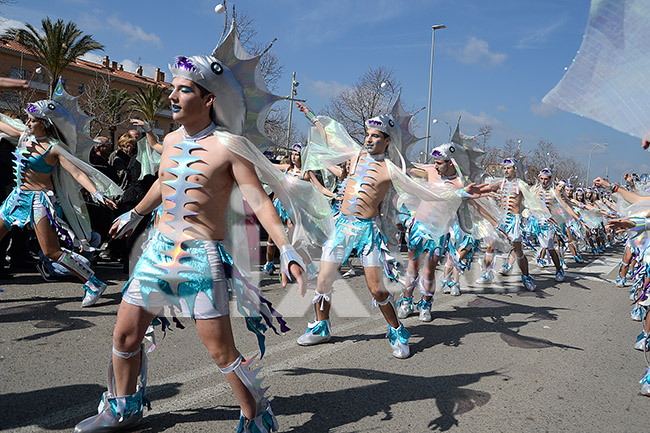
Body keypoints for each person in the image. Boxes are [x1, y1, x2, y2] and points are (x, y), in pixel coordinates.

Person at [74, 26, 311, 433]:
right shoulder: (167, 141)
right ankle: (124, 408)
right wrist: (135, 214)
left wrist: (286, 247)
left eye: (184, 90)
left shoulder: (229, 146)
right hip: (158, 251)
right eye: (174, 89)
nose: (172, 96)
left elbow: (258, 199)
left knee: (221, 351)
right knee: (126, 334)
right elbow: (163, 186)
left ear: (208, 98)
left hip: (200, 259)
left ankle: (258, 416)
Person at [0, 89, 119, 306]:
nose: (27, 123)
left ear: (44, 123)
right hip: (17, 198)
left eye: (32, 120)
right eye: (27, 119)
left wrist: (96, 192)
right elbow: (4, 125)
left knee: (51, 251)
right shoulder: (24, 136)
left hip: (38, 201)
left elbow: (77, 172)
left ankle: (93, 282)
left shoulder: (55, 149)